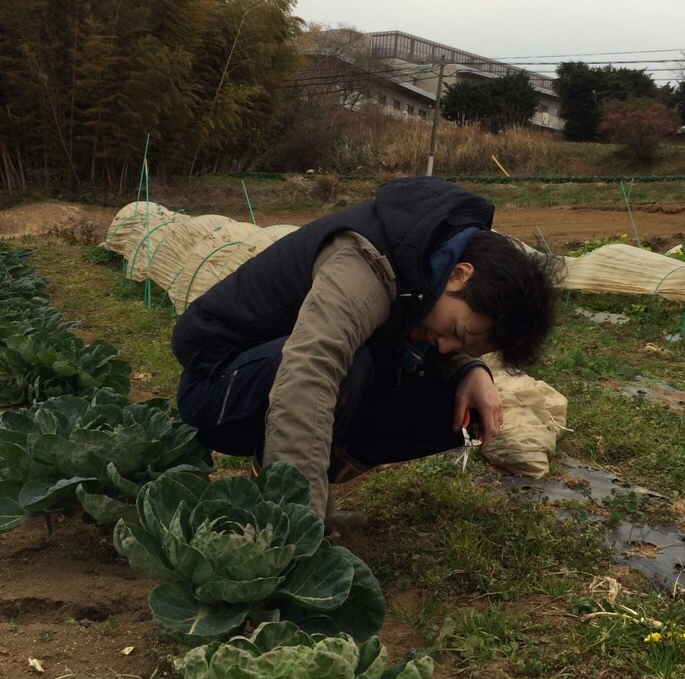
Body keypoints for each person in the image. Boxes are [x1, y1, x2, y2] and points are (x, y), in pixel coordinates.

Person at [172, 176, 560, 523]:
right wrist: (299, 523)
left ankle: (308, 482)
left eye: (465, 343)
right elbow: (309, 372)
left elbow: (428, 324)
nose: (446, 345)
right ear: (461, 274)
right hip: (219, 386)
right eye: (458, 331)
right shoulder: (364, 264)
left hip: (276, 374)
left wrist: (467, 368)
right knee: (347, 363)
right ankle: (281, 500)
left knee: (452, 406)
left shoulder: (430, 260)